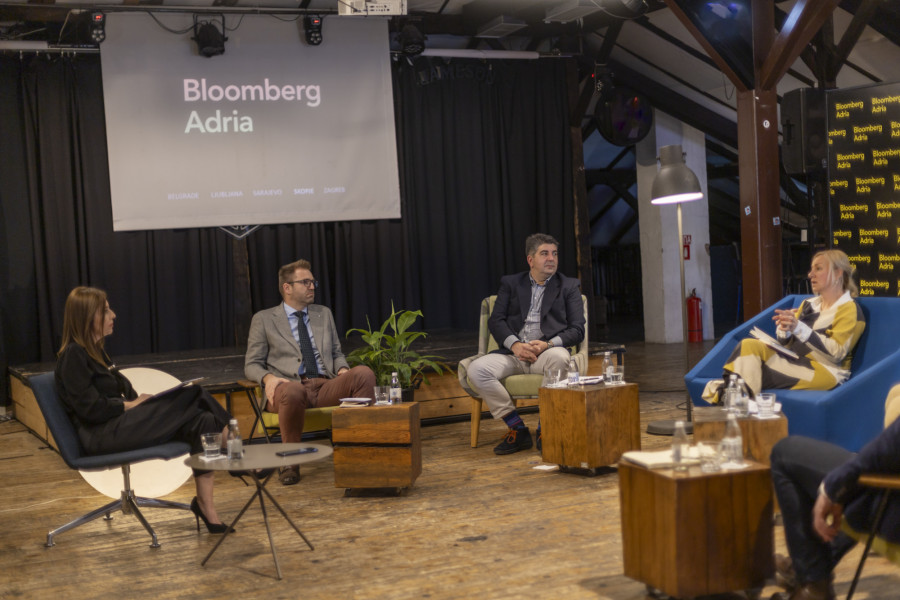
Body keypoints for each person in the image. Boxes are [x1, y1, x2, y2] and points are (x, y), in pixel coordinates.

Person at [55, 286, 233, 534]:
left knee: (203, 421)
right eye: (105, 311)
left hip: (117, 426)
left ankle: (206, 507)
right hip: (100, 435)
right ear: (87, 317)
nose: (113, 315)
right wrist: (131, 405)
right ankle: (237, 450)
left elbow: (126, 395)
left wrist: (145, 404)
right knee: (194, 394)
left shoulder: (97, 353)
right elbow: (90, 409)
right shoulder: (73, 355)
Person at [244, 258, 375, 485]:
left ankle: (360, 450)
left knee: (364, 373)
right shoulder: (264, 319)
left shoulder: (323, 313)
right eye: (305, 282)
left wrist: (343, 369)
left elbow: (336, 353)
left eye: (313, 282)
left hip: (324, 385)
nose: (312, 286)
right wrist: (268, 378)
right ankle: (290, 463)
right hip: (287, 390)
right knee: (293, 390)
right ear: (287, 288)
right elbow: (251, 364)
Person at [467, 233, 585, 455]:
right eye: (544, 254)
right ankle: (516, 428)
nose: (551, 258)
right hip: (513, 354)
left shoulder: (569, 286)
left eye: (554, 254)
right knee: (476, 369)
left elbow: (577, 329)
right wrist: (515, 345)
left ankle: (545, 428)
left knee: (561, 357)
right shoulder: (511, 283)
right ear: (531, 260)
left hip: (546, 353)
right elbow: (496, 320)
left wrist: (547, 345)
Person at [702, 249, 865, 402]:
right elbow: (787, 345)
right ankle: (738, 399)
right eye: (811, 269)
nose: (810, 274)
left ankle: (733, 399)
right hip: (796, 361)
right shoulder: (809, 304)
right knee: (748, 345)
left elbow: (837, 353)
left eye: (818, 269)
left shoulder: (849, 309)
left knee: (749, 371)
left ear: (838, 273)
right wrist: (784, 329)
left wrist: (798, 328)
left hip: (827, 371)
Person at [769, 419, 900, 600]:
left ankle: (813, 587)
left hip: (890, 499)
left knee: (784, 453)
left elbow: (892, 443)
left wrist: (832, 487)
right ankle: (809, 572)